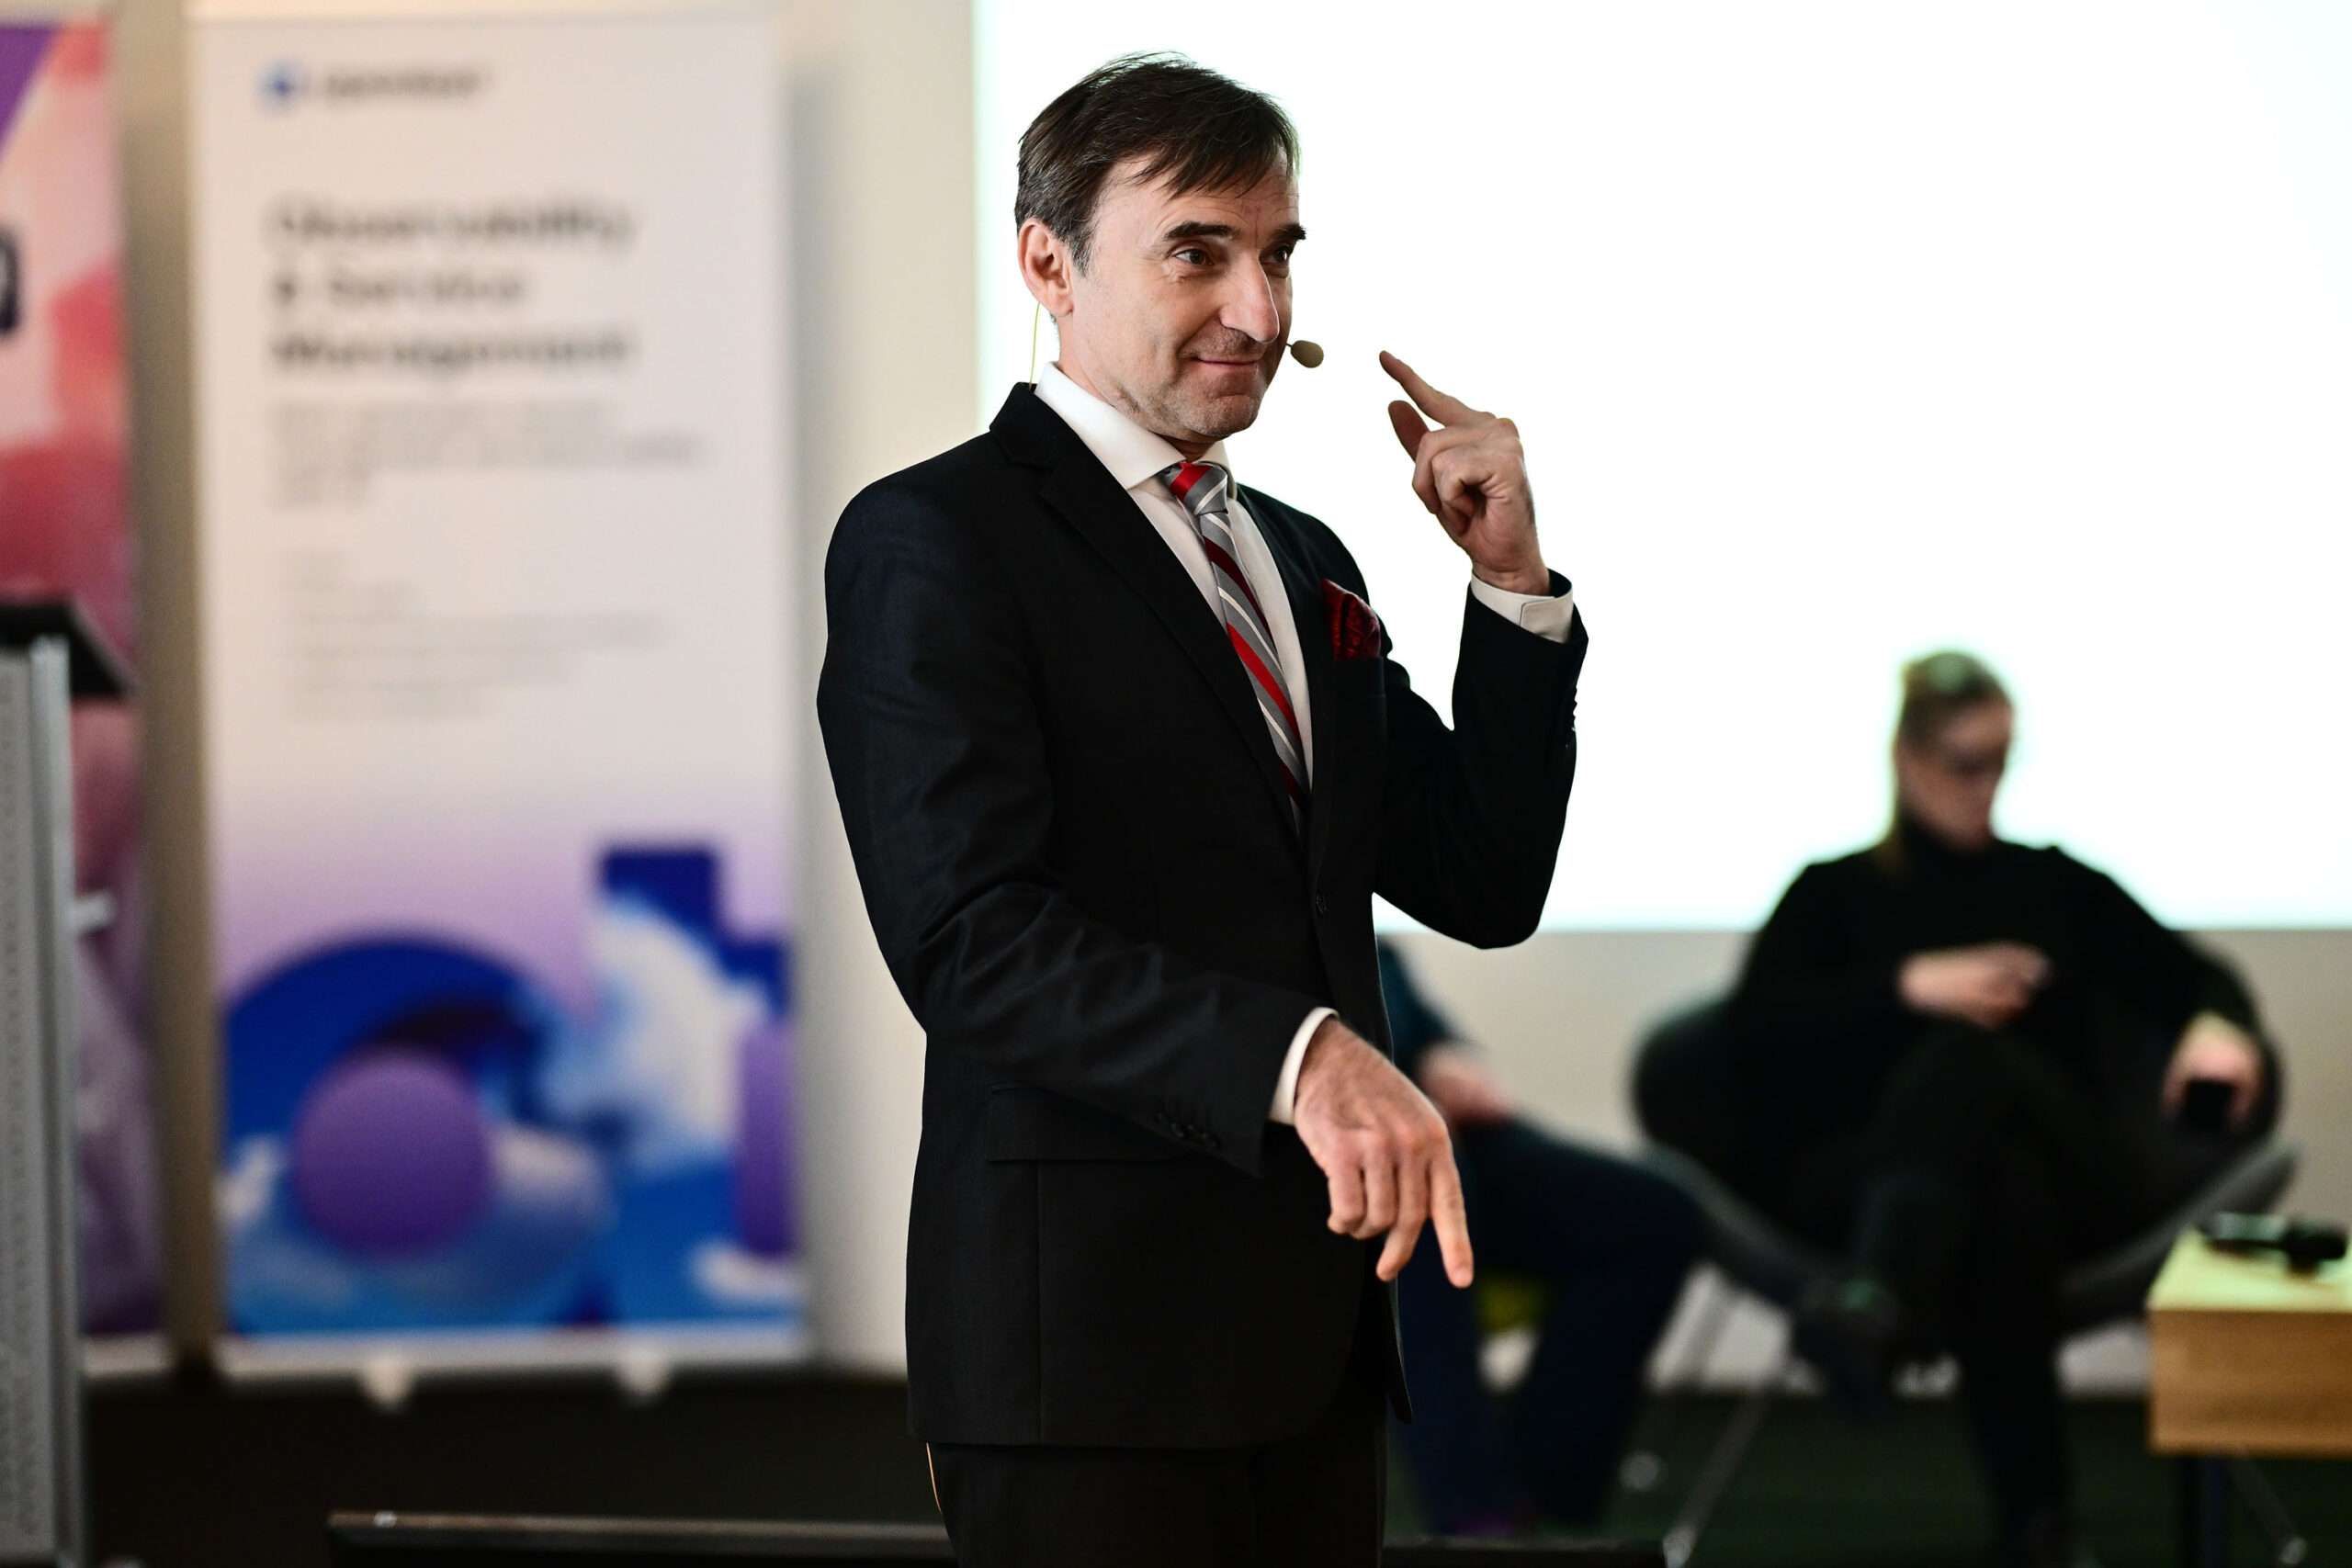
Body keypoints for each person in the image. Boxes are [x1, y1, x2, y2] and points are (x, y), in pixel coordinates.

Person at [817, 53, 1588, 1568]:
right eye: (1198, 251)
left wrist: (1511, 590)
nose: (1260, 307)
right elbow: (971, 937)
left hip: (1315, 1340)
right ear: (1048, 263)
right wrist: (1301, 1054)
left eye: (1280, 253)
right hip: (1088, 1352)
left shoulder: (1300, 555)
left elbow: (1481, 878)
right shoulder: (936, 535)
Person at [1726, 650, 2278, 1566]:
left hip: (2078, 1171)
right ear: (1906, 757)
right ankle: (2039, 1527)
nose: (1986, 786)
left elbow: (2196, 976)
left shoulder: (2052, 883)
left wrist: (2219, 1024)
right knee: (2001, 1186)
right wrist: (1909, 986)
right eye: (1964, 763)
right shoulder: (1833, 892)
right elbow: (1750, 1033)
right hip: (1879, 1175)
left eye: (2001, 761)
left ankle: (1875, 1299)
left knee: (1973, 1062)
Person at [1377, 942, 1700, 1536]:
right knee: (1424, 1189)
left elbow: (1409, 1013)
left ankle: (1546, 1503)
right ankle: (1474, 1511)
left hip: (1444, 1128)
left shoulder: (1363, 932)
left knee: (1652, 1216)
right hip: (1317, 1157)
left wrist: (1449, 1054)